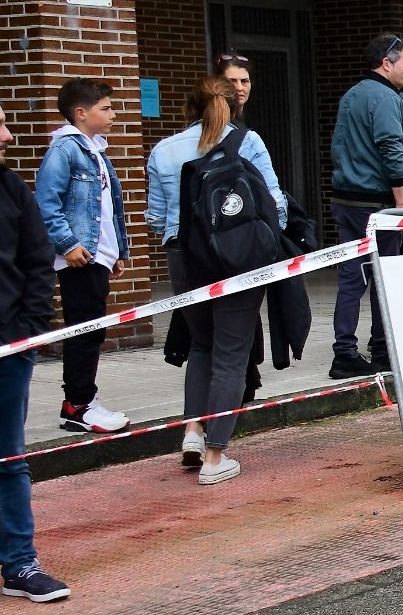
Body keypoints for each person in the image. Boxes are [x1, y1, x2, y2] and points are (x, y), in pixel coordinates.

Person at [146, 77, 288, 485]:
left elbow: (156, 218)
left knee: (201, 344)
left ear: (189, 108)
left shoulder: (164, 150)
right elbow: (274, 202)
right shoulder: (248, 142)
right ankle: (214, 458)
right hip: (239, 257)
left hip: (184, 258)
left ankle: (193, 432)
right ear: (231, 106)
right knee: (232, 351)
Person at [0, 104, 71, 602]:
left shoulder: (11, 189)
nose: (6, 135)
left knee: (9, 458)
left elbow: (37, 261)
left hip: (9, 346)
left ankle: (20, 563)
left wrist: (27, 331)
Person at [33, 79, 130, 434]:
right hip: (80, 259)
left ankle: (82, 401)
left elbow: (109, 208)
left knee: (92, 331)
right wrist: (68, 244)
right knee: (85, 332)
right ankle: (78, 405)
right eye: (105, 108)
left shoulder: (96, 151)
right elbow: (46, 204)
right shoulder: (66, 150)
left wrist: (118, 250)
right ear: (80, 112)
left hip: (97, 258)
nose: (113, 114)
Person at [328, 33, 403, 379]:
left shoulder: (351, 96)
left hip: (345, 198)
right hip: (375, 204)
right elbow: (391, 146)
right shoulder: (386, 98)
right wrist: (401, 202)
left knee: (352, 275)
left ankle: (344, 350)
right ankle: (381, 349)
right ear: (387, 63)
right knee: (382, 276)